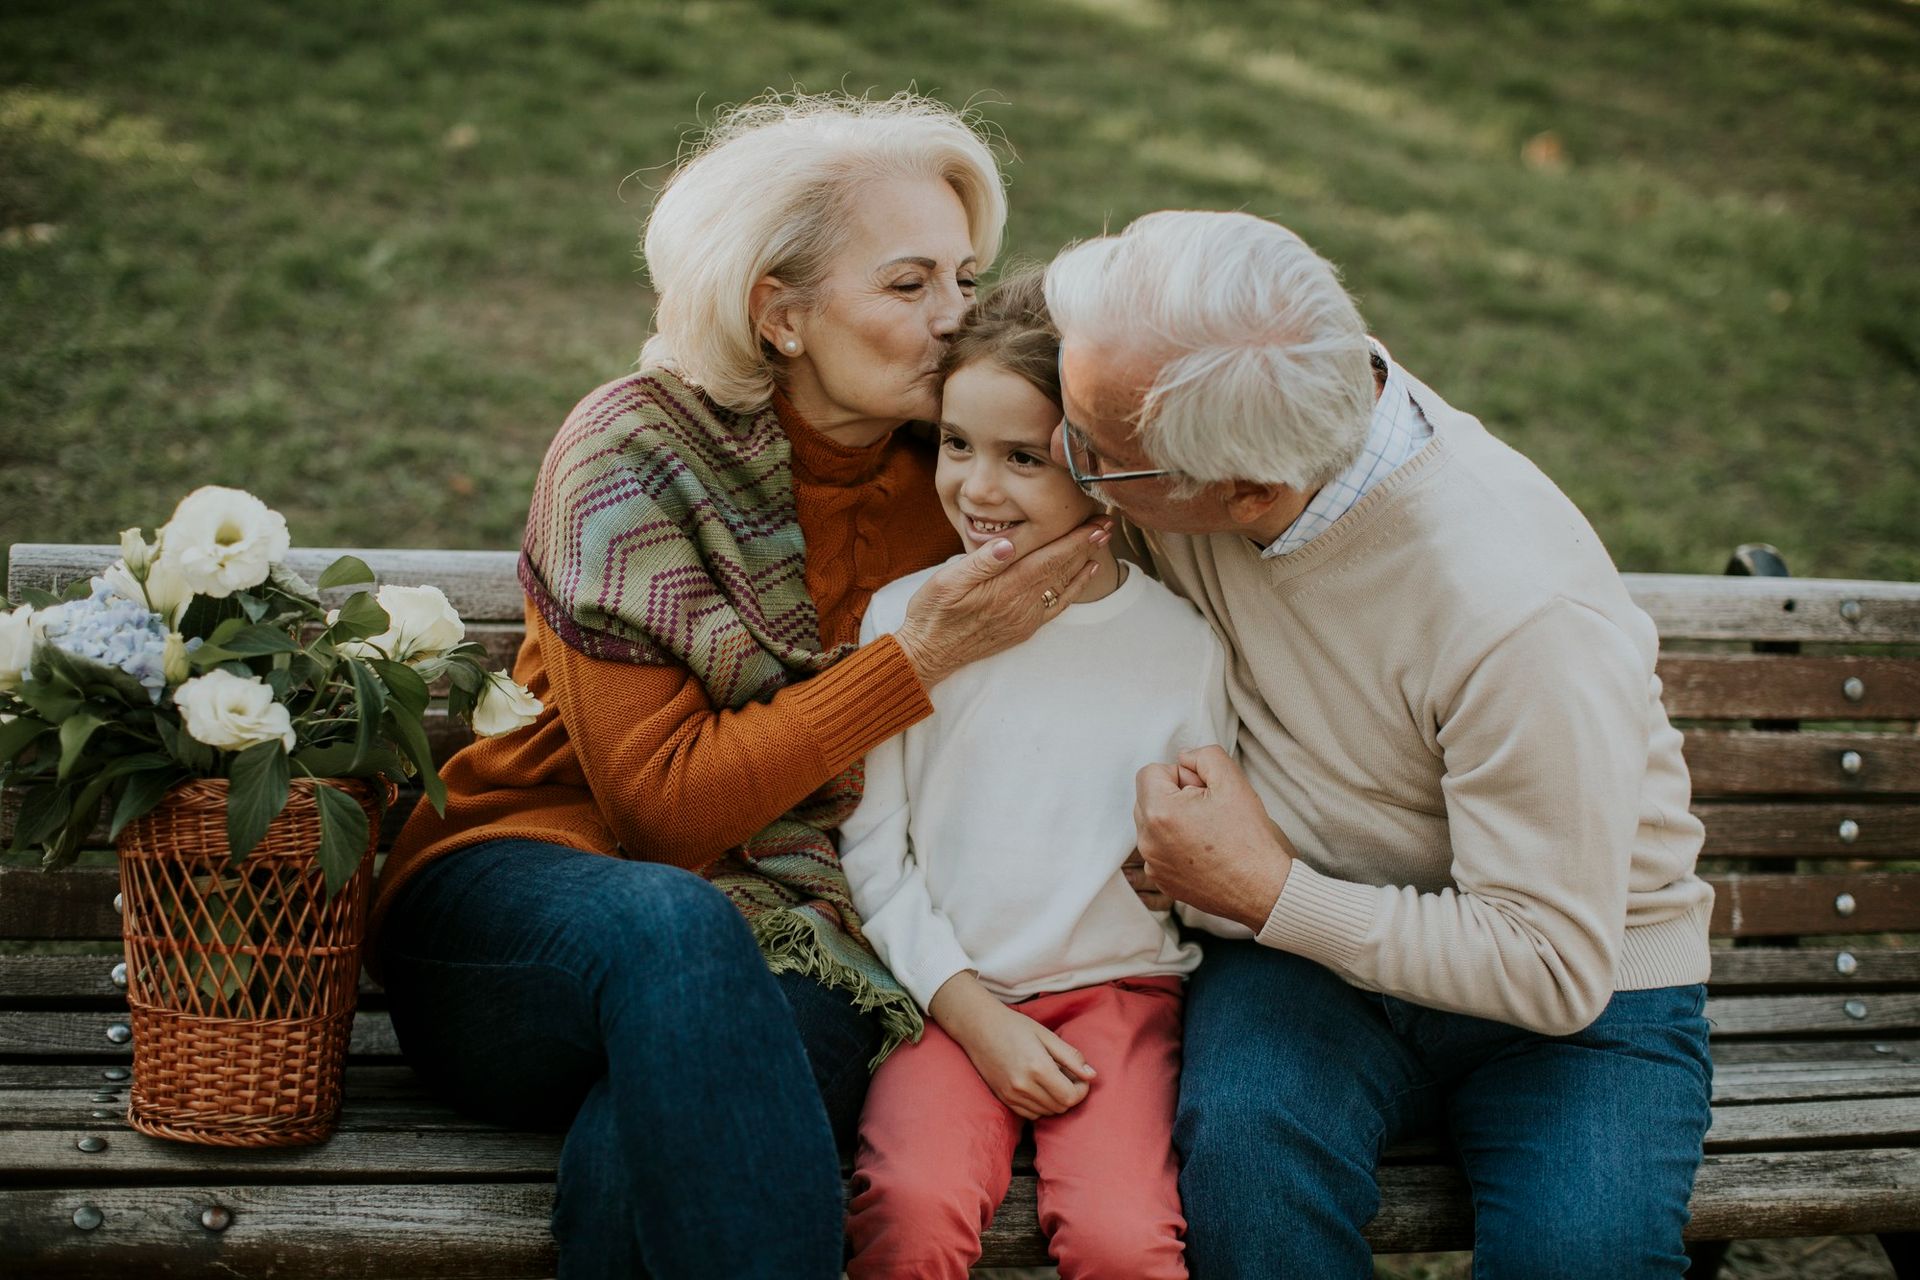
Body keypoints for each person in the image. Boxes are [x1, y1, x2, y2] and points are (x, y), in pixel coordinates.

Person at [365, 93, 1113, 1280]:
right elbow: (662, 814)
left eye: (965, 281)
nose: (954, 320)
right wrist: (916, 659)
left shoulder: (965, 472)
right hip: (524, 908)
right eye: (909, 285)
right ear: (780, 311)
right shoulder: (630, 456)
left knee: (655, 1140)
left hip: (802, 926)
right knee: (681, 925)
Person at [1041, 210, 1716, 1279]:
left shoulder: (1516, 612)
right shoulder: (1218, 431)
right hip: (1311, 964)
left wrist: (1266, 891)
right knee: (1248, 1176)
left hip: (1574, 988)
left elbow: (1553, 965)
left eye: (1096, 458)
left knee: (1580, 1261)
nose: (1061, 463)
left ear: (1249, 490)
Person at [838, 273, 1247, 1280]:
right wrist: (969, 1010)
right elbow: (871, 852)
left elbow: (1206, 848)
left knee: (1123, 1239)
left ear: (1103, 467)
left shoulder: (1179, 645)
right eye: (957, 443)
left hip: (1116, 996)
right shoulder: (904, 622)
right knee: (911, 1207)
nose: (977, 487)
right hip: (942, 990)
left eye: (1022, 457)